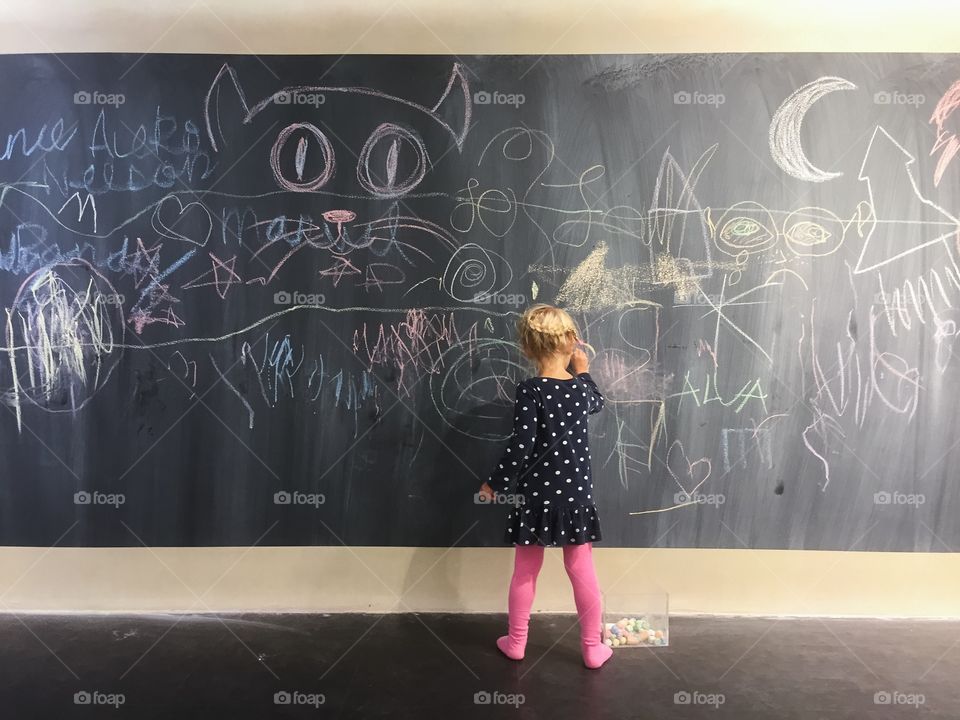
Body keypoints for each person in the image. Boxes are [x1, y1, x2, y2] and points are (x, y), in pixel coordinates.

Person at [477, 304, 612, 669]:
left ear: (527, 349)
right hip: (576, 496)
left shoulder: (531, 390)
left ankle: (517, 642)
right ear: (571, 342)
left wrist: (495, 484)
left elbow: (521, 445)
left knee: (525, 569)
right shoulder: (581, 392)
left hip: (536, 494)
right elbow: (596, 402)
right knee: (582, 568)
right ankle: (592, 648)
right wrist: (583, 372)